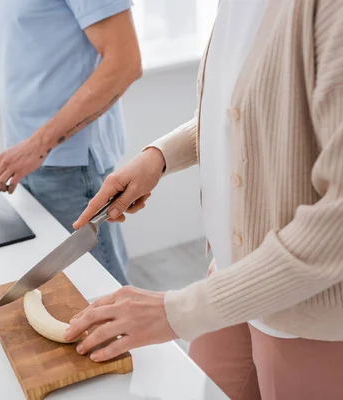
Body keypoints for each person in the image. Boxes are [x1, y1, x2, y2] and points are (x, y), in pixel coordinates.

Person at [64, 1, 343, 399]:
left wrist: (175, 312)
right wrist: (158, 158)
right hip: (232, 279)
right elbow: (246, 110)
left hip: (303, 314)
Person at [0, 1, 142, 285]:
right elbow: (25, 50)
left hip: (70, 165)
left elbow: (125, 63)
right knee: (63, 290)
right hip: (27, 159)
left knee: (98, 291)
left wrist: (39, 144)